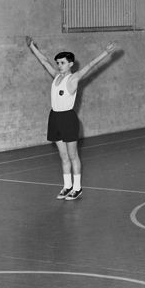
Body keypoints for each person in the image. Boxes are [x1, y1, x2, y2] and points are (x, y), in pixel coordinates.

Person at [26, 37, 119, 201]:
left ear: (70, 64)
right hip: (54, 117)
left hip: (68, 118)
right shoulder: (56, 76)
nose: (59, 65)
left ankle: (77, 188)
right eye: (58, 63)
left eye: (62, 63)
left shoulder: (73, 78)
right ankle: (67, 186)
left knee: (73, 155)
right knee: (63, 156)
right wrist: (32, 47)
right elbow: (44, 61)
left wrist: (106, 52)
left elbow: (91, 65)